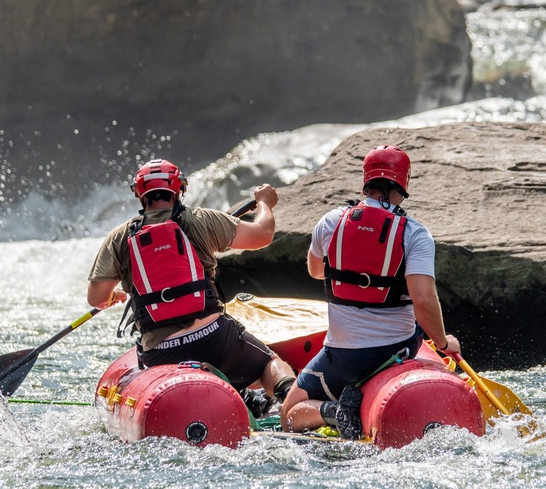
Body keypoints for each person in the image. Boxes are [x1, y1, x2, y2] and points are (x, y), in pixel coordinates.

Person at [87, 159, 296, 413]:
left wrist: (118, 295)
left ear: (139, 194)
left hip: (161, 354)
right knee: (268, 362)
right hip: (213, 338)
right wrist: (264, 203)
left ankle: (238, 400)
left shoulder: (119, 237)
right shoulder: (201, 219)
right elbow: (262, 234)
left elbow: (96, 297)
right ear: (180, 189)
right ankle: (291, 401)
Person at [280, 145, 460, 438]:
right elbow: (423, 300)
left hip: (343, 356)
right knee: (413, 325)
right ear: (404, 183)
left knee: (288, 414)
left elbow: (315, 271)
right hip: (398, 347)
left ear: (366, 181)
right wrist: (442, 342)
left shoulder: (331, 221)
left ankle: (333, 411)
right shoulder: (415, 233)